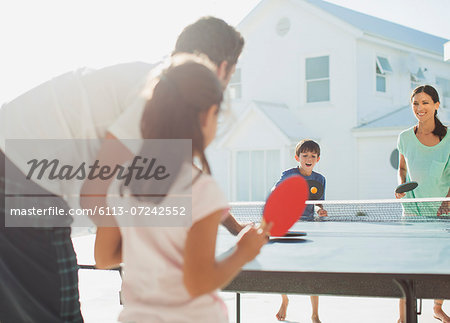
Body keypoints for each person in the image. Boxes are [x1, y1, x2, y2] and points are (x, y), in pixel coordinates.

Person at [0, 16, 246, 322]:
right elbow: (94, 196)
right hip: (19, 174)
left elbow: (184, 181)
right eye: (230, 76)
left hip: (18, 164)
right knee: (57, 312)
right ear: (221, 69)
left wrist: (234, 227)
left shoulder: (161, 88)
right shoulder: (156, 93)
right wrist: (150, 246)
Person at [94, 59, 272, 322]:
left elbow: (103, 257)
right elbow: (198, 283)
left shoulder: (122, 182)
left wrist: (146, 244)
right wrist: (244, 251)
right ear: (205, 116)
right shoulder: (201, 190)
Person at [395, 85, 449, 323]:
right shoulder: (405, 137)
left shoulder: (449, 137)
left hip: (441, 210)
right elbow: (403, 168)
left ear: (437, 105)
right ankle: (402, 317)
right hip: (412, 211)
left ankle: (437, 307)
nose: (420, 108)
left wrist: (447, 201)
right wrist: (401, 187)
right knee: (408, 265)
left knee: (443, 263)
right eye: (416, 103)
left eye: (425, 102)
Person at [273, 139, 327, 323]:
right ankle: (285, 300)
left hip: (309, 227)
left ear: (318, 159)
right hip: (289, 226)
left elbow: (319, 202)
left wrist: (320, 210)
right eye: (305, 155)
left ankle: (314, 314)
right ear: (298, 157)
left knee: (313, 269)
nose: (309, 158)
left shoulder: (320, 179)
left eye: (313, 156)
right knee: (283, 268)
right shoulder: (288, 175)